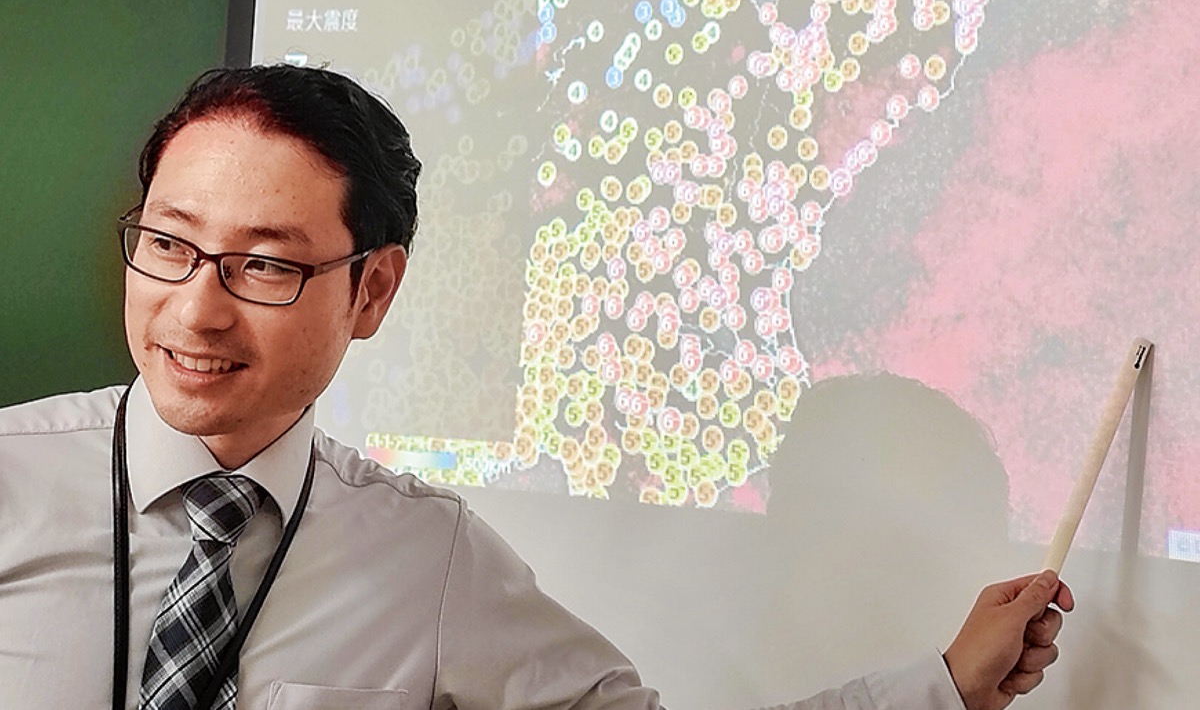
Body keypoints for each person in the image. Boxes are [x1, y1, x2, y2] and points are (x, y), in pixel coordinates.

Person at [0, 64, 1071, 710]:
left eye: (265, 264)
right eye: (169, 245)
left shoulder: (427, 556)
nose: (195, 310)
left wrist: (941, 687)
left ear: (372, 290)